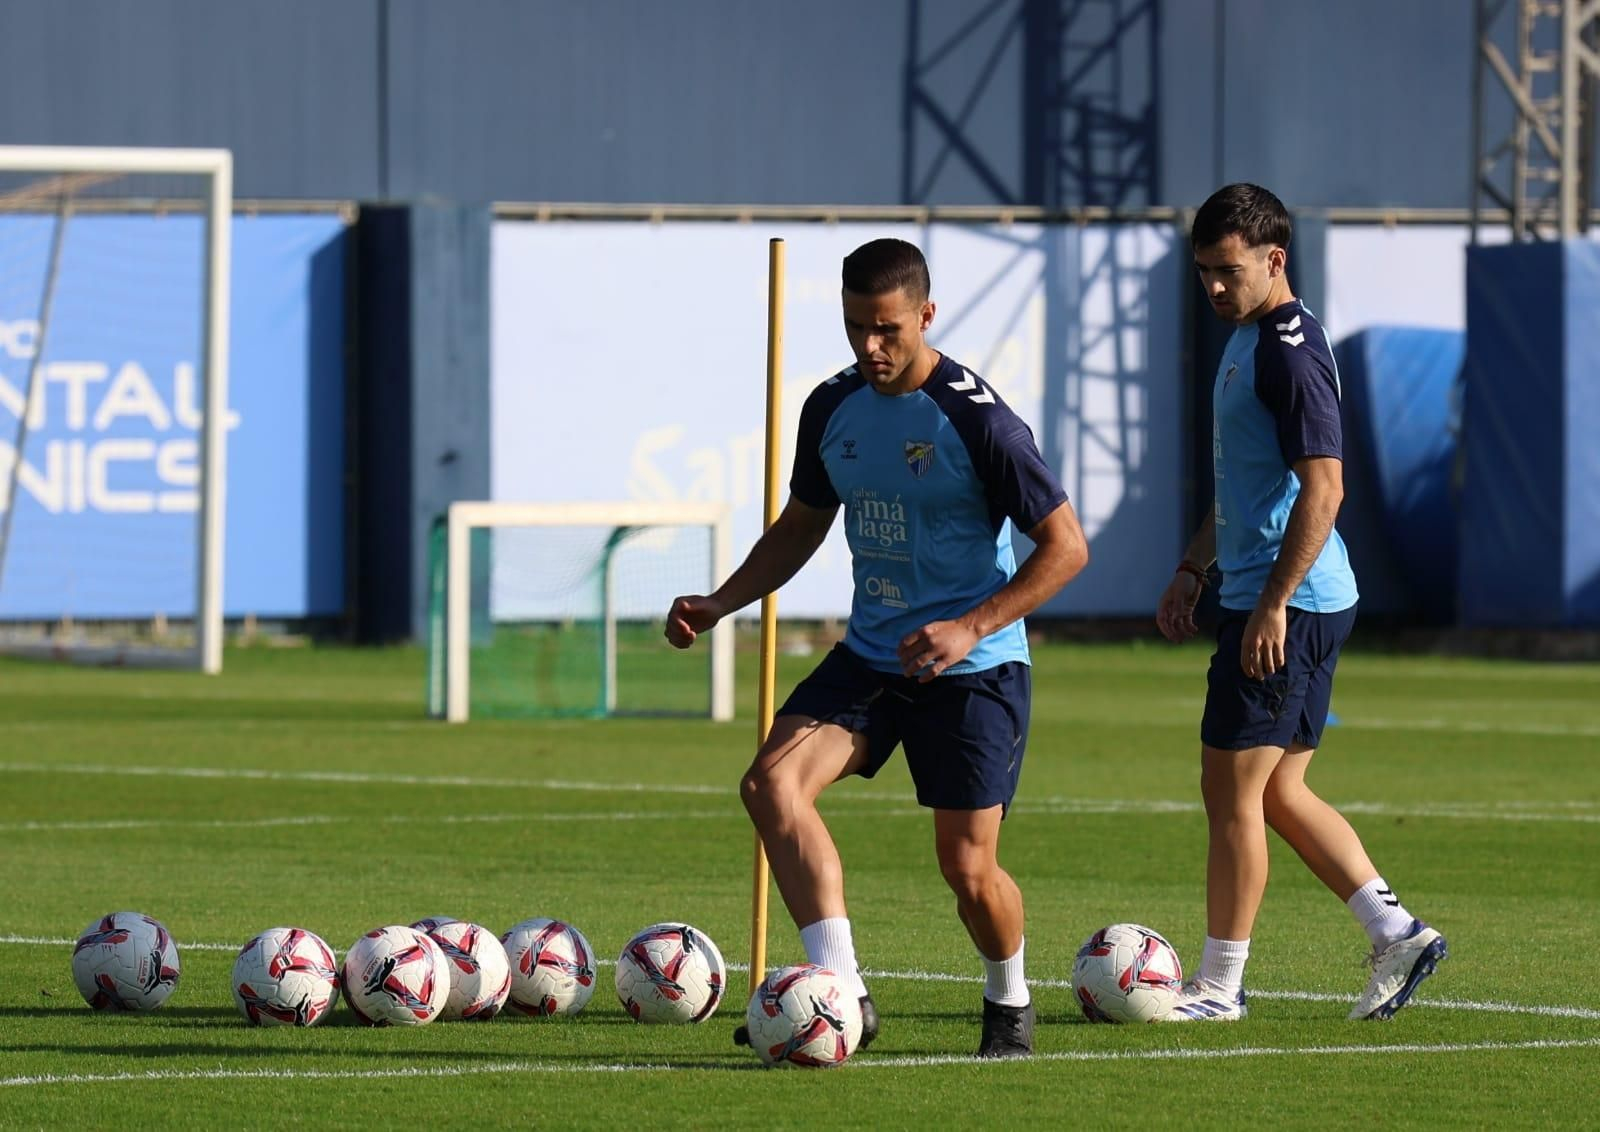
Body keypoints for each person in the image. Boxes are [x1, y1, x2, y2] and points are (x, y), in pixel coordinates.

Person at [666, 238, 1088, 1058]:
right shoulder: (831, 407)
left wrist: (970, 626)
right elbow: (800, 527)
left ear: (926, 315)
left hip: (972, 668)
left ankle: (1009, 997)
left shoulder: (980, 421)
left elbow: (1066, 548)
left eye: (887, 328)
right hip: (871, 657)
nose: (870, 345)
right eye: (856, 326)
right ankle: (842, 993)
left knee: (968, 870)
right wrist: (721, 601)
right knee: (770, 785)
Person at [1155, 183, 1448, 1022]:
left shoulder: (1287, 350)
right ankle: (1396, 933)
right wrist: (1194, 565)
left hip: (1290, 603)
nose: (1214, 286)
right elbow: (1250, 483)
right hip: (1287, 596)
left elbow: (1325, 489)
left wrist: (1271, 604)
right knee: (1278, 792)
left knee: (1231, 794)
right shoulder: (1251, 334)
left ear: (1274, 259)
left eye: (1228, 270)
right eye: (1204, 271)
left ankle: (1220, 986)